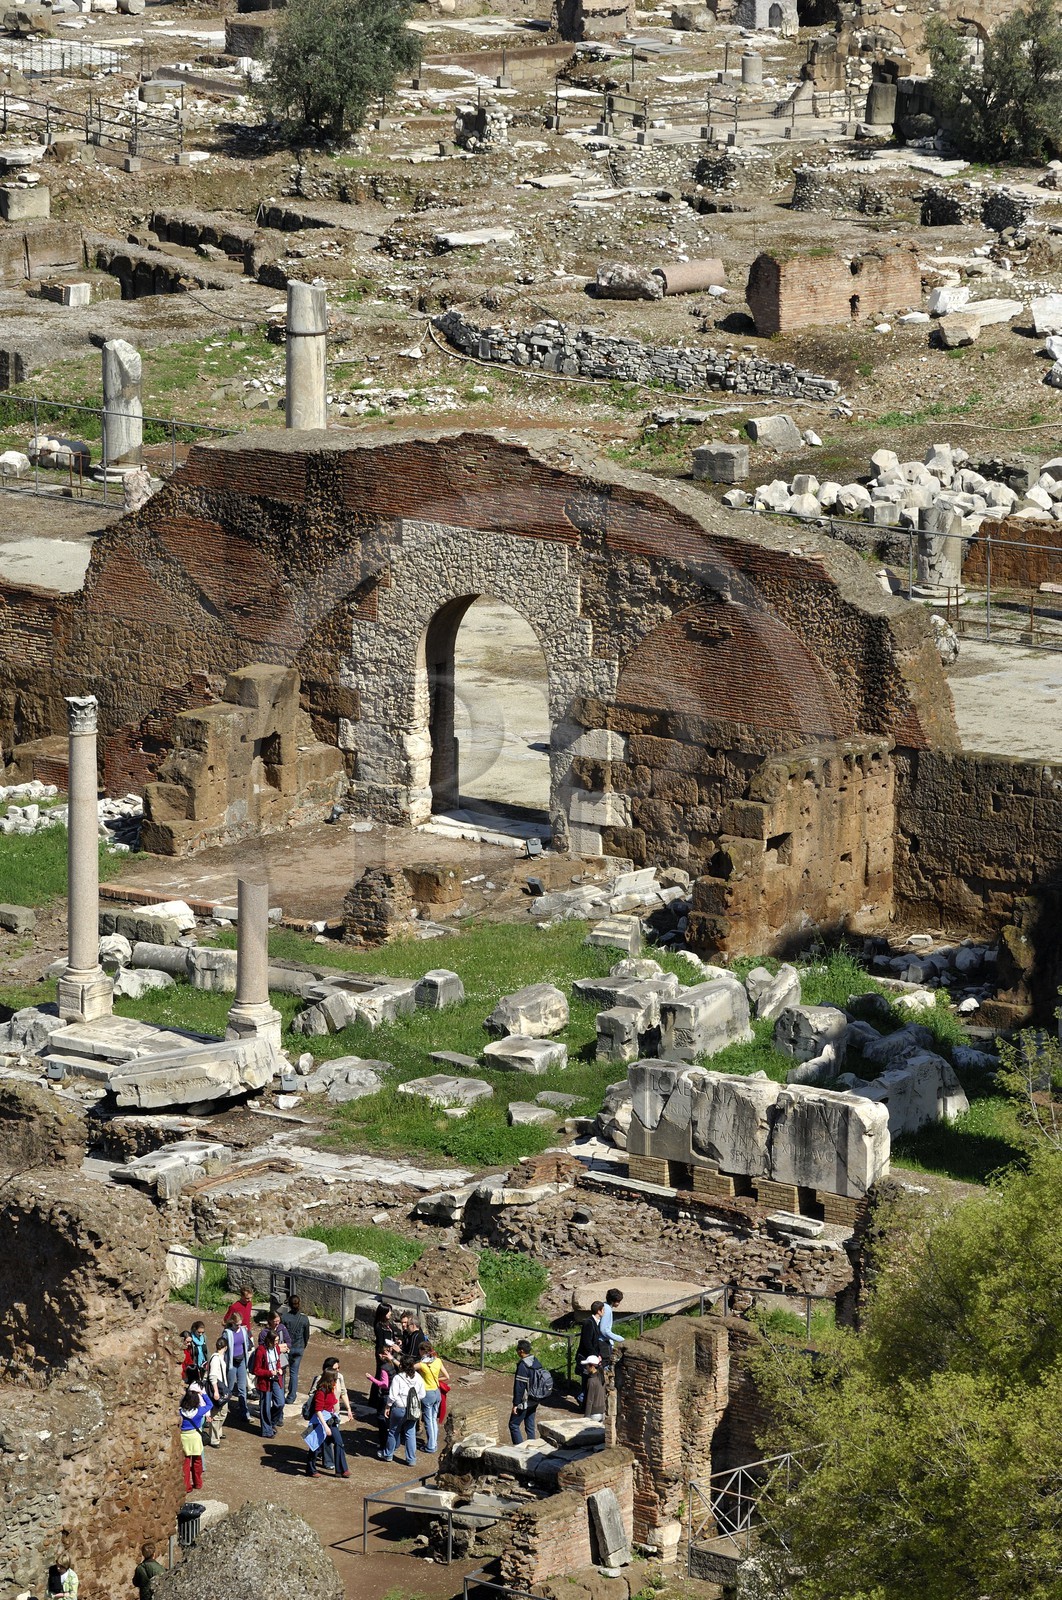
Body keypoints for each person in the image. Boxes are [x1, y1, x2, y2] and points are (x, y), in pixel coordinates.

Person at [380, 1357, 425, 1465]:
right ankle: (411, 1459)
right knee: (410, 1433)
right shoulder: (418, 1377)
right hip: (413, 1409)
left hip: (399, 1408)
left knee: (393, 1431)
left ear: (401, 1366)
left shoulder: (398, 1378)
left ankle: (388, 1454)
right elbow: (422, 1394)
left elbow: (392, 1395)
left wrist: (388, 1407)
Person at [305, 1372, 350, 1478]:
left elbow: (333, 1404)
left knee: (339, 1442)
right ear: (329, 1380)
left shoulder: (330, 1390)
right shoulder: (321, 1392)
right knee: (314, 1446)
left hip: (330, 1419)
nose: (335, 1383)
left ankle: (342, 1469)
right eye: (334, 1380)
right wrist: (325, 1426)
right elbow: (318, 1410)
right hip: (320, 1422)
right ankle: (310, 1469)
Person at [414, 1342, 449, 1454]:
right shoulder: (438, 1361)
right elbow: (447, 1377)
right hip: (436, 1392)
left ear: (423, 1351)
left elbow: (405, 1367)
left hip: (427, 1393)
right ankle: (433, 1443)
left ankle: (431, 1446)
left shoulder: (421, 1365)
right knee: (433, 1419)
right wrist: (436, 1380)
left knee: (428, 1420)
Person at [510, 1340, 545, 1444]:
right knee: (530, 1425)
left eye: (517, 1350)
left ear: (521, 1351)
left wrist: (516, 1404)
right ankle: (532, 1447)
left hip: (524, 1401)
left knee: (513, 1425)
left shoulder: (523, 1365)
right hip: (535, 1398)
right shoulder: (535, 1361)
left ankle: (519, 1450)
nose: (516, 1352)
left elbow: (519, 1387)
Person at [251, 1331, 285, 1438]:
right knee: (265, 1406)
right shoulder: (261, 1351)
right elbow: (256, 1370)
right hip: (265, 1382)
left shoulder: (277, 1349)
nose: (277, 1343)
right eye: (275, 1341)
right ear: (269, 1340)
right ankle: (267, 1430)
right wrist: (269, 1372)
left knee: (280, 1403)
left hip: (275, 1379)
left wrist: (279, 1368)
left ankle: (271, 1423)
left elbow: (278, 1361)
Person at [179, 1387, 210, 1491]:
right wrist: (202, 1394)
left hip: (184, 1438)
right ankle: (198, 1483)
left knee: (186, 1464)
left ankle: (187, 1486)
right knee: (197, 1462)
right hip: (195, 1438)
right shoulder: (199, 1411)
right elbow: (210, 1404)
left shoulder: (180, 1412)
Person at [285, 1293, 311, 1404]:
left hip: (287, 1348)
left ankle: (281, 1394)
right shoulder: (304, 1319)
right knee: (294, 1373)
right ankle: (291, 1397)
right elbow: (307, 1335)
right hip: (299, 1347)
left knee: (282, 1372)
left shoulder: (284, 1317)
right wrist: (303, 1346)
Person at [205, 1336, 230, 1447]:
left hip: (221, 1389)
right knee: (216, 1415)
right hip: (218, 1390)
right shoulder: (215, 1359)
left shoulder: (219, 1357)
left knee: (223, 1412)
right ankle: (214, 1439)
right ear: (225, 1347)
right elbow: (212, 1376)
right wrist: (215, 1391)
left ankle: (218, 1433)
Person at [599, 1289, 625, 1362]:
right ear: (613, 1301)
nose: (619, 1304)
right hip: (603, 1342)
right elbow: (604, 1330)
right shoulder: (607, 1310)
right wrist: (619, 1338)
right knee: (604, 1363)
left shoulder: (604, 1305)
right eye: (618, 1302)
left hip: (602, 1340)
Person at [583, 1355, 607, 1422]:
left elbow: (589, 1400)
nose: (586, 1367)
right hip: (602, 1411)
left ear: (592, 1366)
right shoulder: (601, 1377)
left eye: (587, 1365)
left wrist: (586, 1416)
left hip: (594, 1413)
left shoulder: (591, 1381)